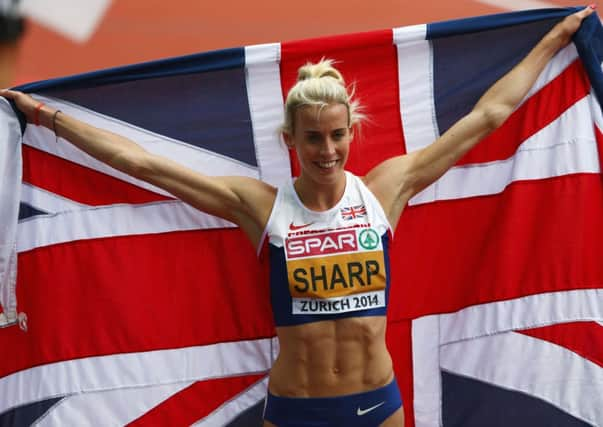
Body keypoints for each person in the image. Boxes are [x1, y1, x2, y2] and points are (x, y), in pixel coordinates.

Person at [1, 6, 595, 426]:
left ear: (351, 132)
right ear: (292, 139)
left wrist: (555, 39)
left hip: (376, 404)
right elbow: (142, 163)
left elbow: (489, 116)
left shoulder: (386, 188)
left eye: (337, 135)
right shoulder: (260, 207)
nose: (328, 151)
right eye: (313, 139)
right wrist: (49, 119)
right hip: (295, 407)